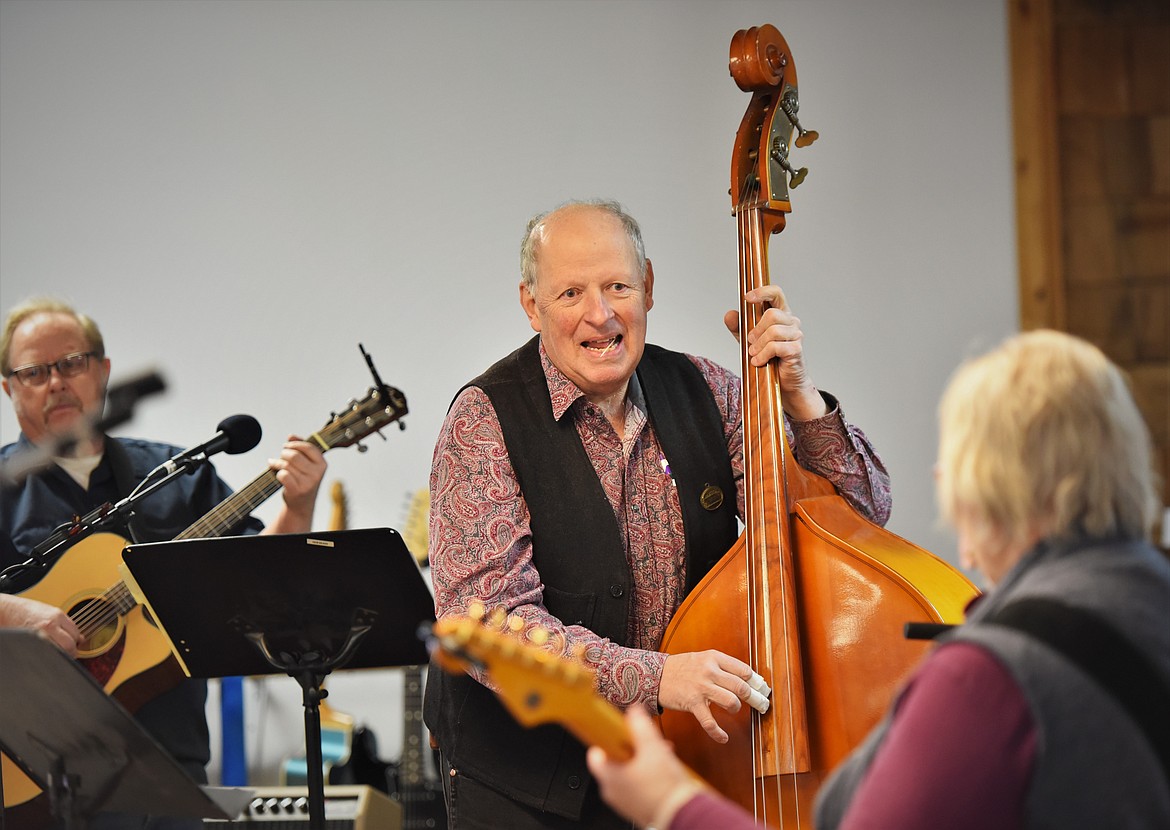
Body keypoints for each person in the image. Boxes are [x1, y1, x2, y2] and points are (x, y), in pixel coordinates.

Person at [423, 199, 892, 828]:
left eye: (618, 285)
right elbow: (490, 624)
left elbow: (853, 525)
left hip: (672, 771)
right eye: (570, 293)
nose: (601, 314)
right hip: (523, 789)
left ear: (649, 286)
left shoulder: (712, 391)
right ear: (532, 306)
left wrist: (800, 397)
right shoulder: (483, 421)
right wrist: (656, 677)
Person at [586, 329, 1170, 829]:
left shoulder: (990, 676)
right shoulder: (1152, 595)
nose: (942, 472)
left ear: (987, 485)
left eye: (956, 456)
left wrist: (672, 803)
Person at [0, 297, 328, 829]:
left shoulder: (178, 476)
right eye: (34, 371)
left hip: (166, 770)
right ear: (8, 387)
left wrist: (297, 505)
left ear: (103, 371)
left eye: (72, 363)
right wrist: (17, 614)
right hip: (29, 770)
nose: (56, 382)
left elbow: (263, 580)